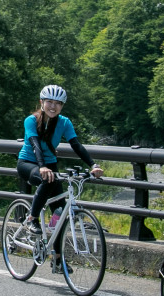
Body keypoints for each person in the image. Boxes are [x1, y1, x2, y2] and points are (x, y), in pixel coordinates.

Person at [15, 84, 103, 236]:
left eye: (58, 103)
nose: (53, 106)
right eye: (49, 101)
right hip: (28, 163)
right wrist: (42, 167)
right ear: (41, 102)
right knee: (47, 179)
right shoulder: (31, 120)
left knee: (60, 212)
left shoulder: (64, 122)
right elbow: (35, 144)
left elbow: (76, 145)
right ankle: (32, 219)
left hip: (50, 164)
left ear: (62, 106)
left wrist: (93, 165)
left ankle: (56, 256)